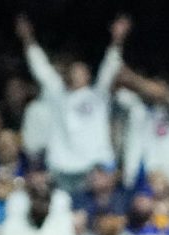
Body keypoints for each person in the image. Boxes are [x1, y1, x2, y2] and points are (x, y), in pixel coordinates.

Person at [15, 14, 130, 195]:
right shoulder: (58, 95)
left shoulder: (97, 96)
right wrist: (28, 39)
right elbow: (41, 68)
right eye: (73, 70)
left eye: (81, 70)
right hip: (61, 171)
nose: (76, 73)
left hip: (93, 170)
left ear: (88, 75)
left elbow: (110, 68)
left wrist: (118, 40)